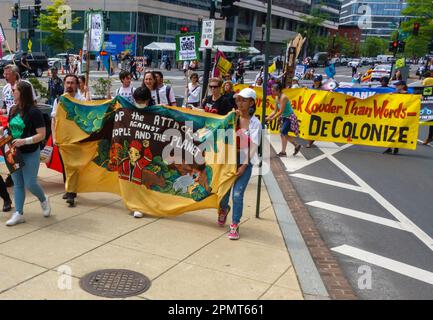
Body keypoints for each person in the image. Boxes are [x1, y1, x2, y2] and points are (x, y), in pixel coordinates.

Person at [2, 81, 51, 226]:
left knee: (30, 183)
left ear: (22, 93)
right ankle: (19, 213)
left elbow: (41, 134)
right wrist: (3, 133)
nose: (12, 91)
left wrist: (25, 141)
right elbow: (10, 129)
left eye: (15, 90)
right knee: (17, 183)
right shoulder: (13, 109)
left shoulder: (34, 112)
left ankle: (43, 200)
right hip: (14, 152)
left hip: (30, 151)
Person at [217, 88, 261, 240]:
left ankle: (234, 224)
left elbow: (254, 146)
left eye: (243, 100)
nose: (239, 103)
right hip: (228, 160)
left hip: (244, 161)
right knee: (224, 193)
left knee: (237, 194)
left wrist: (243, 165)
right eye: (238, 100)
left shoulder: (255, 123)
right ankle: (224, 209)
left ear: (251, 102)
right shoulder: (231, 117)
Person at [51, 75, 87, 206]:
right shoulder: (59, 100)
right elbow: (54, 120)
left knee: (73, 166)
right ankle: (69, 188)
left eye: (72, 83)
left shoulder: (82, 100)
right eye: (67, 83)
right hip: (63, 139)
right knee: (66, 165)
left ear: (77, 85)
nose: (69, 85)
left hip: (77, 139)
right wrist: (55, 137)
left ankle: (71, 193)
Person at [266, 82, 301, 157]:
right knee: (283, 134)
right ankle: (296, 145)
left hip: (289, 117)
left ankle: (283, 152)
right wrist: (268, 117)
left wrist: (271, 119)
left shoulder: (283, 97)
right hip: (284, 117)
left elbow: (280, 111)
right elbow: (275, 111)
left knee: (283, 133)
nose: (272, 92)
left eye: (273, 91)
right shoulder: (276, 97)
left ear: (278, 90)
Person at [384, 80, 408, 155]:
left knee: (398, 132)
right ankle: (389, 148)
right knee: (390, 131)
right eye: (396, 85)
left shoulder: (407, 94)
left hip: (401, 115)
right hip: (392, 115)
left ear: (403, 86)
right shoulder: (394, 93)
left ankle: (396, 148)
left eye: (398, 85)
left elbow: (412, 101)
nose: (396, 86)